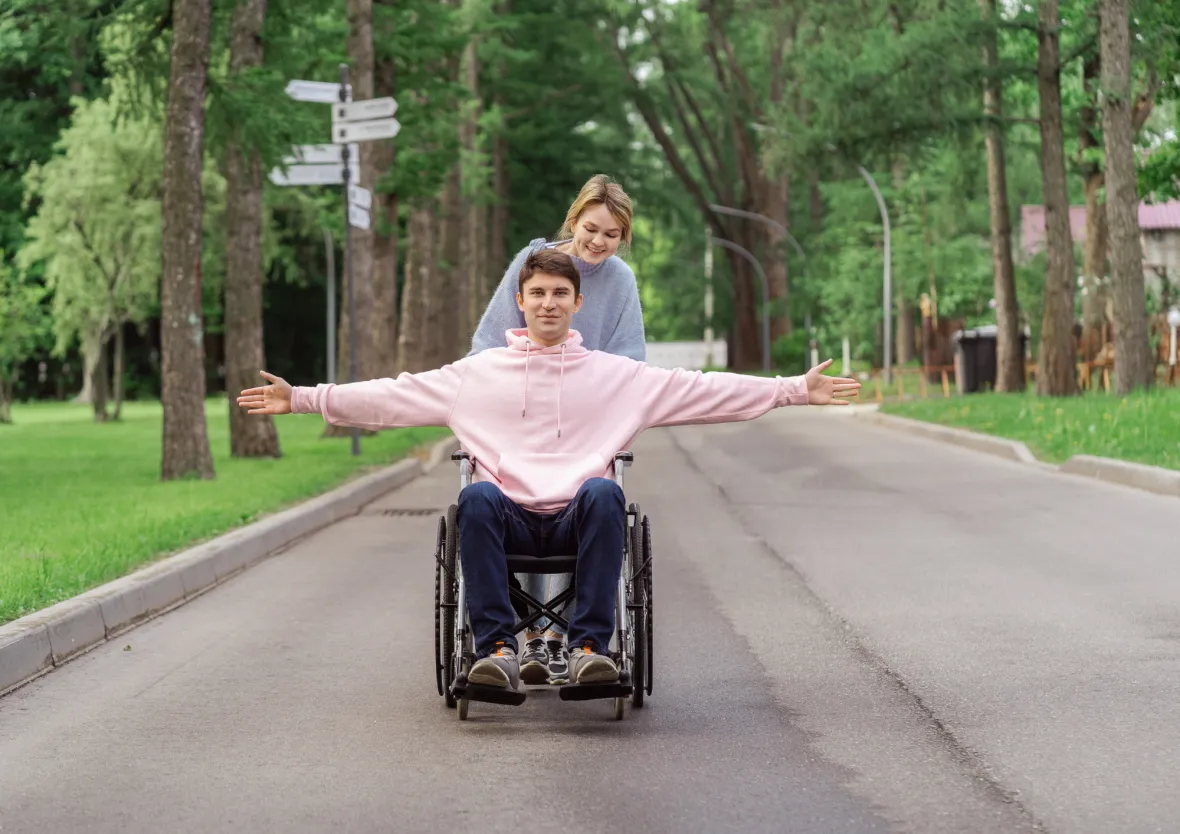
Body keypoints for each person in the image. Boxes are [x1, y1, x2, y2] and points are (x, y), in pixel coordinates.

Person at [237, 248, 859, 695]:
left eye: (560, 294)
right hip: (506, 518)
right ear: (520, 301)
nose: (549, 303)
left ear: (578, 303)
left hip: (577, 519)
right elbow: (393, 395)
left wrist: (792, 390)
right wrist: (305, 398)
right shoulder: (477, 375)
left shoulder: (617, 377)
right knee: (475, 498)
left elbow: (701, 389)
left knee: (605, 492)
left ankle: (589, 648)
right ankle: (496, 651)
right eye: (537, 293)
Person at [470, 174, 643, 685]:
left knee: (586, 491)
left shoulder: (621, 281)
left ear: (623, 237)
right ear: (573, 221)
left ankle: (566, 638)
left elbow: (631, 357)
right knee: (514, 490)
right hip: (522, 404)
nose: (599, 242)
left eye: (611, 234)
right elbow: (487, 343)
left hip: (588, 410)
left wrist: (602, 398)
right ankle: (525, 635)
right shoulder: (533, 265)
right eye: (591, 228)